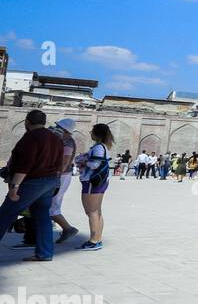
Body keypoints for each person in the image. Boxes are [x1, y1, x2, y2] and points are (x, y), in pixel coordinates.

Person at [0, 109, 66, 262]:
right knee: (42, 216)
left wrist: (15, 186)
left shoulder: (30, 137)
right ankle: (45, 253)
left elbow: (26, 164)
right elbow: (61, 163)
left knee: (6, 212)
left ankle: (44, 253)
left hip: (33, 182)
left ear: (27, 122)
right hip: (50, 181)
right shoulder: (56, 138)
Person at [74, 123, 114, 252]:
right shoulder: (103, 147)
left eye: (92, 131)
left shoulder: (98, 147)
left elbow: (95, 164)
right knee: (97, 212)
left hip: (92, 182)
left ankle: (93, 241)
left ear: (97, 134)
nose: (90, 133)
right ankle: (97, 238)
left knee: (91, 212)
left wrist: (84, 161)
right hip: (99, 182)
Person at [47, 118, 80, 245]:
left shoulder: (68, 142)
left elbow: (64, 162)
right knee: (51, 204)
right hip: (59, 175)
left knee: (52, 205)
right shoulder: (60, 140)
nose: (56, 129)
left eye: (58, 127)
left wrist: (55, 176)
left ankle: (67, 229)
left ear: (66, 131)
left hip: (61, 175)